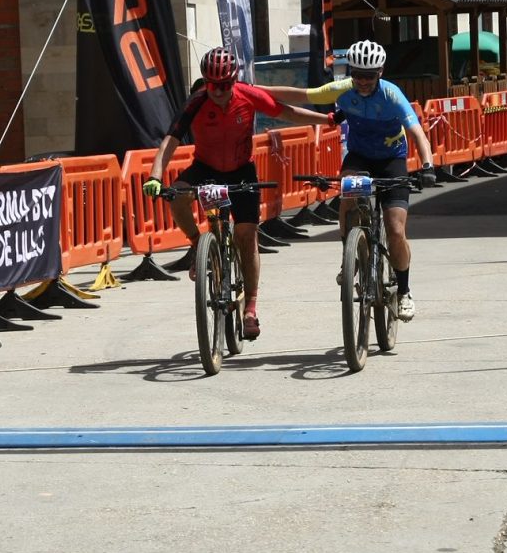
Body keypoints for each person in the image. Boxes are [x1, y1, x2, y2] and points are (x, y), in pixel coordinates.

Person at [142, 47, 330, 340]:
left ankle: (251, 307)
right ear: (206, 81)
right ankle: (196, 244)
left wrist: (327, 120)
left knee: (246, 236)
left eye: (226, 85)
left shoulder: (247, 94)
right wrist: (155, 177)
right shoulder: (197, 101)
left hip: (242, 171)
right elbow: (170, 140)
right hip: (205, 168)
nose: (219, 91)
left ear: (234, 80)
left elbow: (287, 113)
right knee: (176, 195)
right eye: (214, 85)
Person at [261, 39, 436, 324]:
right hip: (360, 156)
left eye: (369, 75)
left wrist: (428, 165)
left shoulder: (392, 95)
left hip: (392, 160)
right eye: (358, 74)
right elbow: (299, 94)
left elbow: (417, 132)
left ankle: (404, 291)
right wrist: (255, 90)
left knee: (395, 229)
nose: (363, 81)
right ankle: (349, 255)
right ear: (350, 71)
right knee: (347, 193)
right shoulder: (343, 90)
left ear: (380, 72)